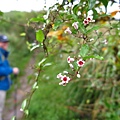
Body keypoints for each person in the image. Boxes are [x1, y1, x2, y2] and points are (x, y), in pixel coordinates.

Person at [0, 35, 19, 120]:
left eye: (6, 42)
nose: (5, 44)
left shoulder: (2, 53)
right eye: (3, 42)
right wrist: (12, 70)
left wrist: (9, 81)